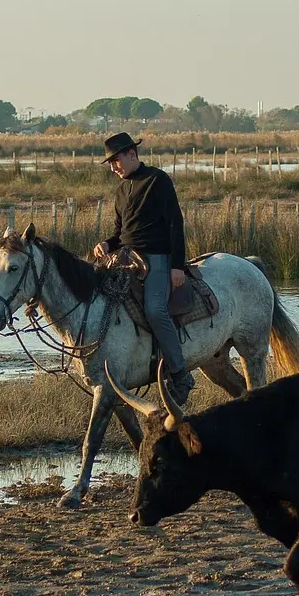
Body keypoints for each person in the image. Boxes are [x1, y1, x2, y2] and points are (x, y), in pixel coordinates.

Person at [92, 131, 195, 403]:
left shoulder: (157, 180)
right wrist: (106, 244)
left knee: (155, 309)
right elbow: (120, 232)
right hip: (125, 258)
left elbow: (175, 224)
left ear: (132, 154)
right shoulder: (120, 190)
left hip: (157, 258)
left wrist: (177, 268)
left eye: (116, 160)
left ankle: (180, 372)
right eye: (111, 162)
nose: (114, 167)